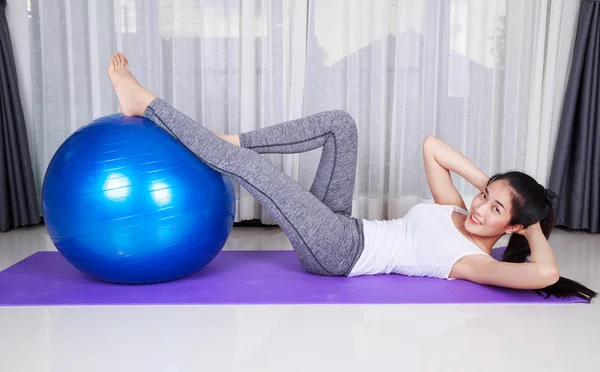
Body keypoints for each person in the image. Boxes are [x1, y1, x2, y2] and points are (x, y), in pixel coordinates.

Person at [107, 52, 596, 302]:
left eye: (493, 210)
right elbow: (432, 146)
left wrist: (532, 220)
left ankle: (147, 104)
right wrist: (494, 185)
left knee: (254, 174)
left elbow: (545, 274)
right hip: (345, 222)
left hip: (340, 253)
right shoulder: (455, 207)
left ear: (510, 228)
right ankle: (231, 139)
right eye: (483, 195)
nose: (478, 207)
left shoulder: (472, 261)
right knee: (341, 124)